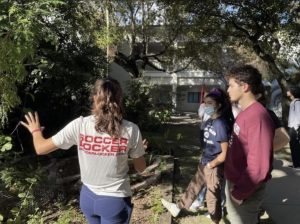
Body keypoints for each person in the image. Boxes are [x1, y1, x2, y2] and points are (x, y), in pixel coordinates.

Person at [21, 78, 147, 224]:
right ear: (119, 99)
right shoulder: (131, 130)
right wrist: (139, 153)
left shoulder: (79, 125)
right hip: (114, 202)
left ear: (94, 98)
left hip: (88, 198)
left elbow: (40, 148)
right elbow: (141, 168)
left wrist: (35, 131)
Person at [161, 88, 234, 224]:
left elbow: (225, 153)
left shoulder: (221, 124)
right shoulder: (210, 120)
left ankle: (215, 220)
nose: (206, 106)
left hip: (214, 165)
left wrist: (212, 164)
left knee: (212, 196)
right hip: (205, 161)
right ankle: (177, 208)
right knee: (194, 186)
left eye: (210, 103)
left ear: (218, 105)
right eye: (205, 103)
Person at [225, 65, 275, 224]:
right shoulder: (246, 113)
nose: (228, 90)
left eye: (231, 85)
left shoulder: (257, 116)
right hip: (235, 182)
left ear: (245, 87)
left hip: (244, 190)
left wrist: (239, 193)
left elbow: (259, 166)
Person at [287, 86, 300, 168]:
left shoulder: (297, 102)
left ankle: (297, 164)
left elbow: (299, 115)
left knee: (295, 146)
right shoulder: (294, 102)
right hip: (293, 127)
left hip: (295, 128)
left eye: (289, 90)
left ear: (292, 92)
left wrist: (296, 128)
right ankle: (296, 163)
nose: (287, 91)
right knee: (293, 145)